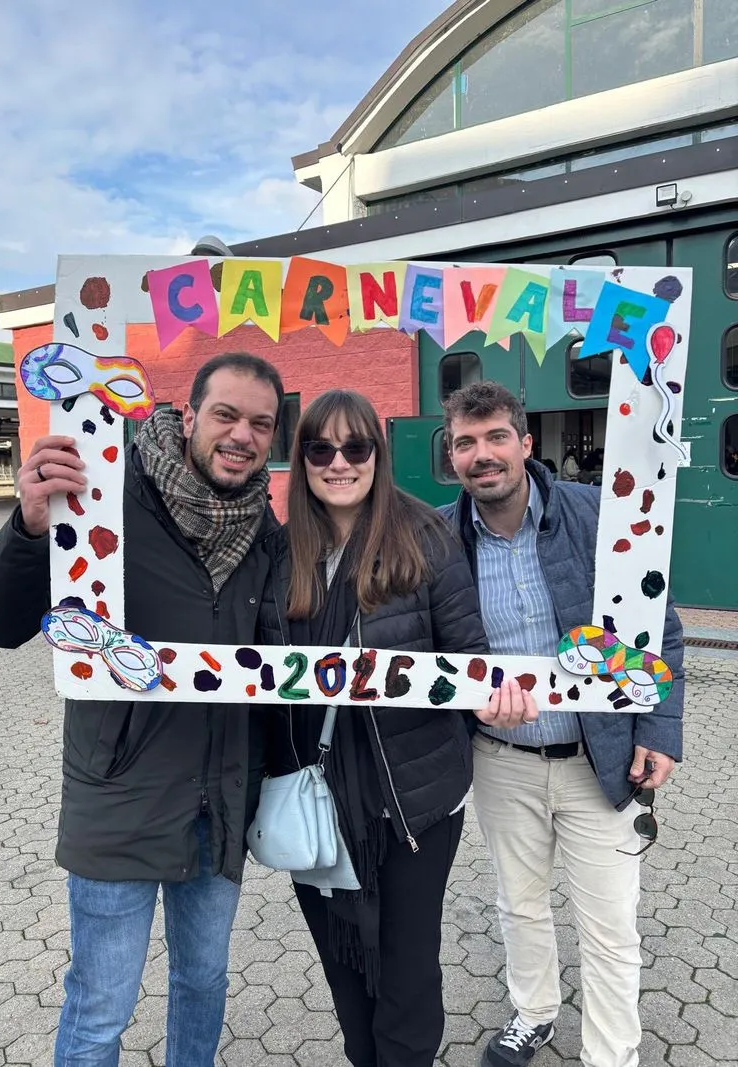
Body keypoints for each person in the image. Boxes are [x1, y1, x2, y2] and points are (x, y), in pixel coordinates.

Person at [0, 352, 285, 1067]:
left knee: (203, 983)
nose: (243, 435)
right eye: (227, 415)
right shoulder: (102, 498)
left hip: (219, 805)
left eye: (261, 423)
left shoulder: (263, 530)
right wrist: (29, 526)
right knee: (101, 1005)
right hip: (120, 797)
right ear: (190, 414)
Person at [258, 389, 537, 1067]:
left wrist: (494, 695)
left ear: (377, 456)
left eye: (356, 447)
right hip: (315, 799)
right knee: (343, 968)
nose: (339, 462)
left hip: (411, 800)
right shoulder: (279, 549)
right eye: (321, 449)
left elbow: (470, 654)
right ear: (303, 460)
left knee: (407, 973)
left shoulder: (425, 537)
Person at [439, 382, 684, 1067]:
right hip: (501, 758)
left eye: (494, 437)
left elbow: (659, 629)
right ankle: (535, 1011)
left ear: (524, 442)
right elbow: (426, 647)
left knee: (609, 927)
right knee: (518, 904)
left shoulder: (600, 514)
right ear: (451, 454)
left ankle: (613, 1054)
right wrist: (466, 700)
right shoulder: (438, 535)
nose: (481, 454)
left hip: (596, 755)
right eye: (465, 442)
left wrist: (660, 729)